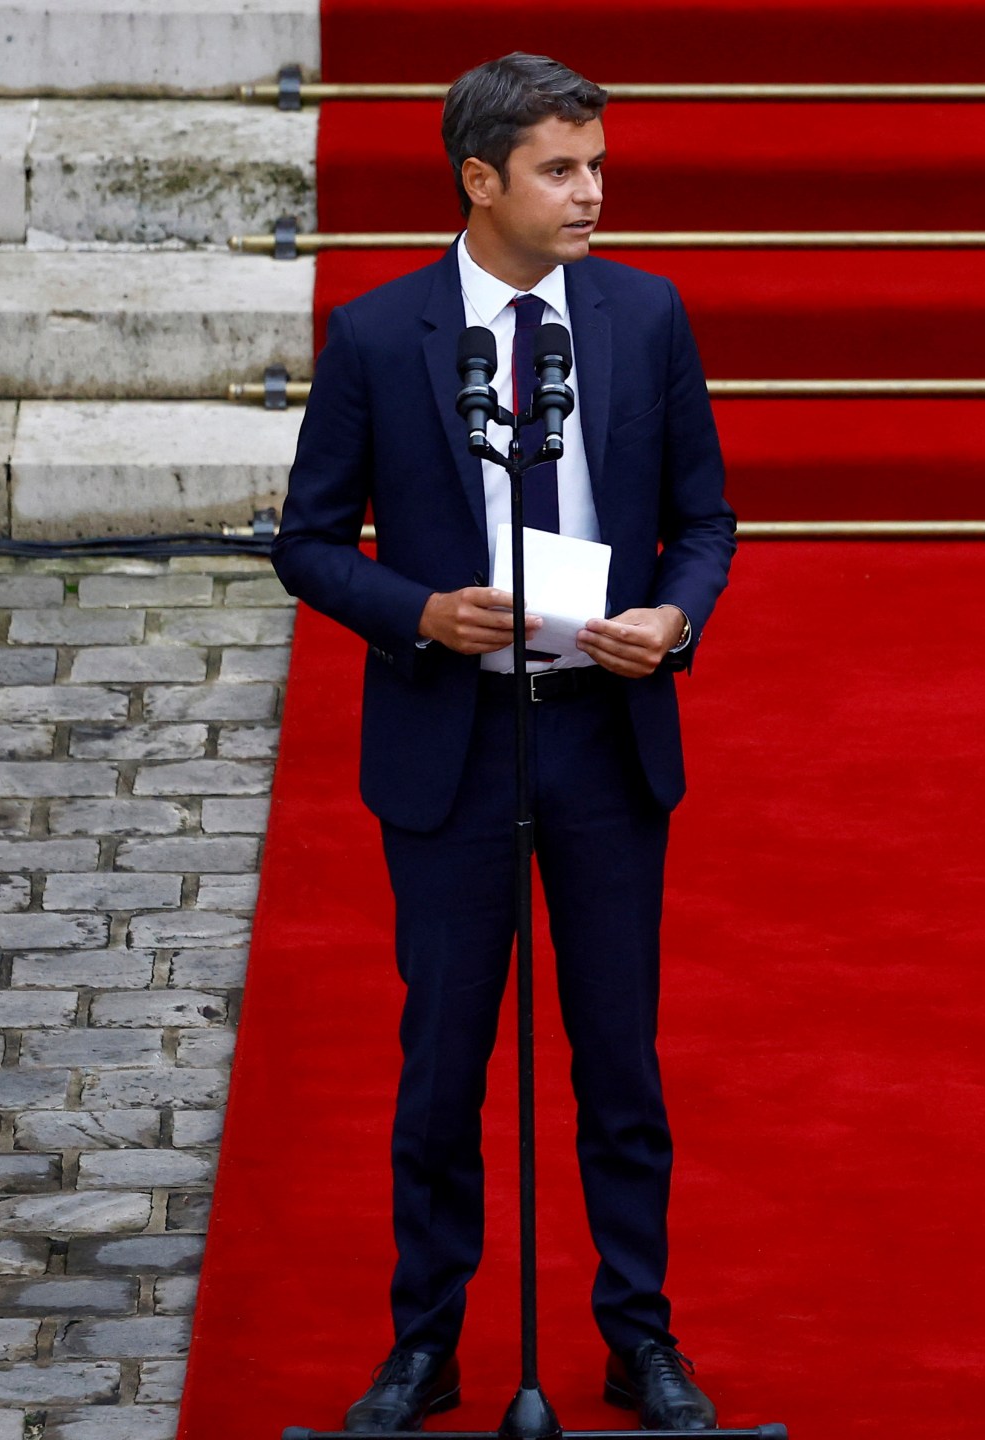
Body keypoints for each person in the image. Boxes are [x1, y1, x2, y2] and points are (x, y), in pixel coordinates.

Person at [272, 51, 734, 1433]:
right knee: (443, 1063)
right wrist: (419, 611)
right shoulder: (376, 334)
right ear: (481, 182)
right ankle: (426, 1343)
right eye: (560, 169)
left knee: (619, 1060)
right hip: (453, 745)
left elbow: (706, 521)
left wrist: (673, 616)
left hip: (603, 736)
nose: (592, 192)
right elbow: (303, 543)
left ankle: (639, 1338)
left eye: (596, 164)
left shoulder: (647, 317)